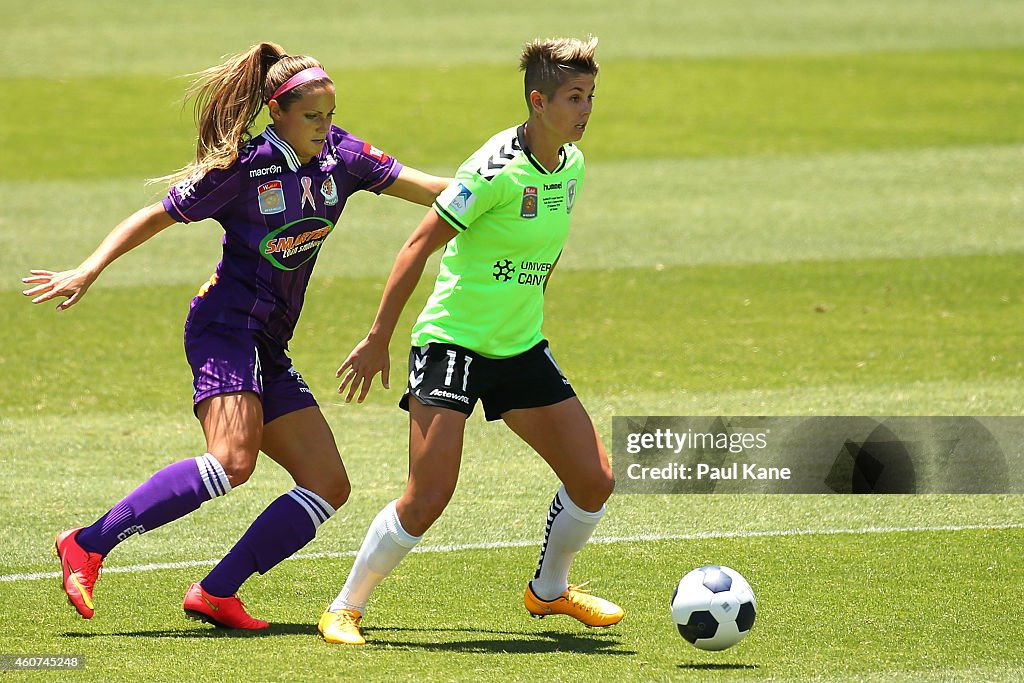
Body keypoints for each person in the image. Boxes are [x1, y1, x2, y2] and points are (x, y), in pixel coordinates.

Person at [22, 42, 449, 630]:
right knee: (231, 461)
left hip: (268, 344)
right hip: (225, 329)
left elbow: (430, 188)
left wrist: (501, 183)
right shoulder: (244, 168)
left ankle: (217, 591)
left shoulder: (342, 157)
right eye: (312, 117)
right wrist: (89, 267)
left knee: (327, 485)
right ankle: (89, 544)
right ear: (278, 114)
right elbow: (156, 215)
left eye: (329, 114)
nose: (325, 128)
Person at [318, 36, 621, 646]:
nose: (586, 109)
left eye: (590, 96)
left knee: (594, 478)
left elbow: (546, 250)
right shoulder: (493, 171)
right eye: (573, 97)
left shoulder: (573, 166)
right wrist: (380, 337)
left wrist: (523, 310)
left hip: (519, 346)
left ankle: (549, 591)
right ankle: (344, 606)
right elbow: (416, 246)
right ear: (539, 101)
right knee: (429, 494)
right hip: (452, 343)